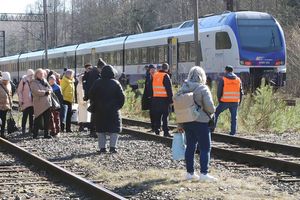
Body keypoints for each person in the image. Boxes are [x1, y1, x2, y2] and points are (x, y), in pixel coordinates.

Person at [177, 66, 216, 181]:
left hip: (187, 121)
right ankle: (204, 174)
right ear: (202, 76)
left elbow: (179, 106)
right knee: (205, 148)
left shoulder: (184, 88)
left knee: (190, 147)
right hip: (201, 122)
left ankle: (190, 173)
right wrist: (213, 110)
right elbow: (210, 108)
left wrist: (180, 123)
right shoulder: (203, 88)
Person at [89, 65, 125, 153]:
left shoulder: (97, 82)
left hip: (99, 110)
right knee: (114, 129)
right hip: (113, 110)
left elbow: (91, 94)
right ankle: (113, 147)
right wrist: (118, 106)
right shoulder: (116, 83)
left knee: (100, 129)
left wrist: (96, 103)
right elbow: (122, 97)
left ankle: (102, 148)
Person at [214, 65, 243, 136]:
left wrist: (219, 100)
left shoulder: (223, 79)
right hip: (235, 101)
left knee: (215, 113)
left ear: (226, 71)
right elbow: (241, 92)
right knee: (234, 117)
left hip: (224, 101)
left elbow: (219, 91)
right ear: (232, 71)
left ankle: (212, 128)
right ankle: (233, 132)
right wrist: (239, 102)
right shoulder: (238, 79)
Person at [83, 59, 105, 137]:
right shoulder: (95, 74)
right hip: (95, 97)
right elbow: (91, 86)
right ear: (100, 67)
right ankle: (93, 130)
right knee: (95, 114)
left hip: (94, 96)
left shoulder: (93, 73)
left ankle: (94, 130)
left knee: (95, 114)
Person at [150, 63, 173, 137]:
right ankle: (166, 131)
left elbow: (151, 87)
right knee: (165, 116)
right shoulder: (166, 76)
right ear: (167, 69)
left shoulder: (155, 75)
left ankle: (157, 130)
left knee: (157, 115)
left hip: (155, 99)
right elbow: (169, 89)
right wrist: (171, 101)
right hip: (164, 99)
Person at [30, 69, 52, 139]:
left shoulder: (45, 81)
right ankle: (35, 134)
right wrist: (45, 92)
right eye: (40, 74)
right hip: (39, 104)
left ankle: (46, 134)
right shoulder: (33, 82)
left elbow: (50, 88)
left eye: (42, 74)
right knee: (37, 119)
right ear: (36, 74)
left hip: (47, 103)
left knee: (47, 119)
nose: (41, 75)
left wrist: (49, 91)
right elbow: (36, 91)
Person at [17, 69, 34, 134]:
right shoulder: (23, 81)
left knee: (31, 116)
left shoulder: (34, 81)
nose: (31, 76)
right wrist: (20, 100)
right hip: (25, 102)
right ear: (28, 75)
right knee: (25, 116)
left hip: (32, 102)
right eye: (30, 75)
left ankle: (31, 129)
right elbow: (19, 91)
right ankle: (23, 129)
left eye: (32, 75)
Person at [141, 64, 156, 131]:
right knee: (152, 113)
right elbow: (146, 88)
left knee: (156, 113)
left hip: (156, 98)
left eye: (153, 69)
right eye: (151, 69)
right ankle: (153, 127)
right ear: (149, 71)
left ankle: (157, 127)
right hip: (150, 98)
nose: (152, 71)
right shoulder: (148, 77)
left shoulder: (157, 77)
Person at [0, 72, 13, 139]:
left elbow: (10, 95)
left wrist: (10, 104)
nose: (6, 81)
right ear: (3, 79)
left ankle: (2, 133)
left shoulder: (9, 85)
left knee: (3, 120)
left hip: (5, 106)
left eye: (7, 80)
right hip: (0, 106)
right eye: (5, 80)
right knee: (0, 121)